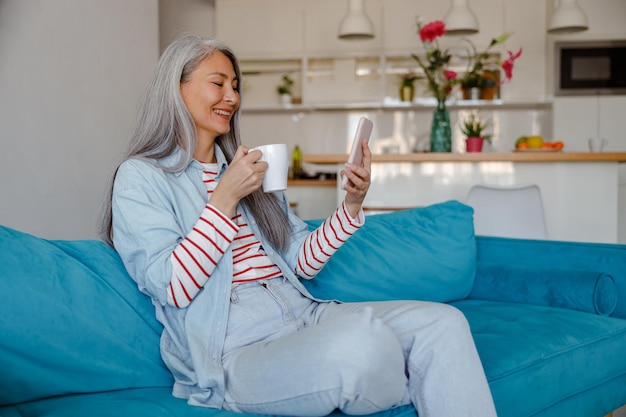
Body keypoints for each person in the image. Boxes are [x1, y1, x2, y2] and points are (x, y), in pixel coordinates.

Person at [100, 35, 497, 417]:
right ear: (176, 89)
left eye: (236, 86)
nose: (233, 97)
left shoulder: (247, 170)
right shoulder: (141, 177)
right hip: (233, 349)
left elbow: (301, 262)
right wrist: (224, 199)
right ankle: (414, 379)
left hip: (303, 314)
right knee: (361, 345)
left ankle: (398, 374)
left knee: (443, 324)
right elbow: (172, 285)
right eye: (218, 83)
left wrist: (351, 205)